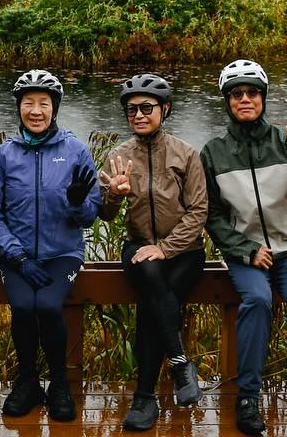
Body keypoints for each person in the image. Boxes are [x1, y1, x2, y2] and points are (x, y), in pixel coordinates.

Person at [200, 59, 287, 437]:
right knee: (257, 302)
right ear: (227, 101)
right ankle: (247, 399)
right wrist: (245, 249)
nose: (245, 99)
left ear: (263, 97)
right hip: (246, 254)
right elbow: (211, 216)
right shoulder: (213, 153)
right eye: (236, 94)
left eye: (252, 92)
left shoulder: (286, 141)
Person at [0, 69, 101, 422]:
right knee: (22, 307)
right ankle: (28, 382)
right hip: (18, 256)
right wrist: (16, 255)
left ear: (55, 108)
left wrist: (78, 201)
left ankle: (60, 384)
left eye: (44, 104)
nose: (36, 111)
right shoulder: (4, 156)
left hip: (61, 253)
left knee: (49, 307)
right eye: (28, 103)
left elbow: (89, 217)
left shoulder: (76, 150)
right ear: (19, 107)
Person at [98, 73, 207, 431]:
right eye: (132, 110)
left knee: (150, 303)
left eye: (147, 108)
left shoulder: (185, 154)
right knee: (147, 272)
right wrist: (114, 193)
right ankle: (179, 364)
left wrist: (164, 248)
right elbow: (106, 213)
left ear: (165, 109)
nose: (139, 115)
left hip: (185, 252)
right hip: (139, 247)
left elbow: (198, 212)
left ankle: (145, 397)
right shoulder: (119, 155)